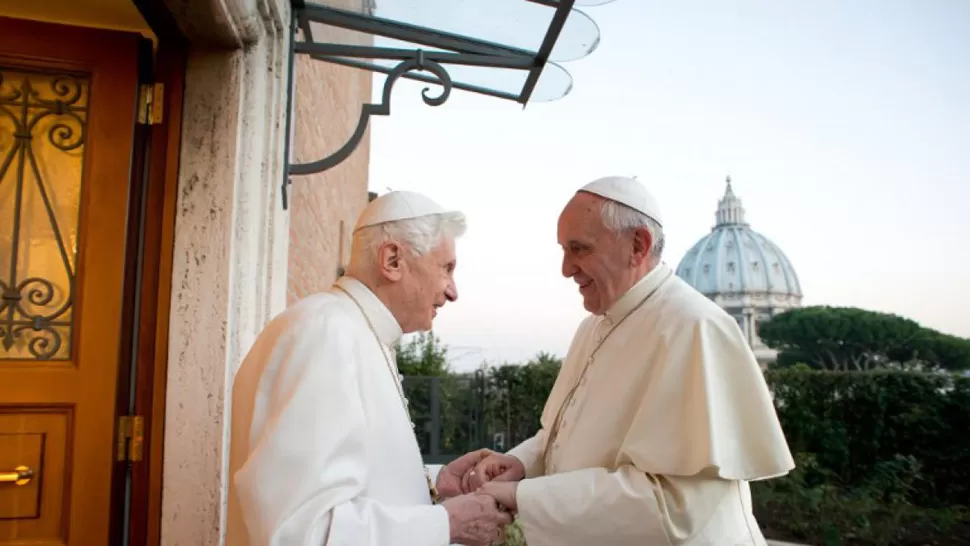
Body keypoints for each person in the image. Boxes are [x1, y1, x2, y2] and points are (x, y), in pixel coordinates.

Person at [463, 176, 796, 545]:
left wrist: (521, 497)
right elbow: (562, 436)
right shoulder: (593, 327)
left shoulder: (694, 327)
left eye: (579, 248)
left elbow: (672, 503)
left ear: (638, 244)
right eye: (563, 250)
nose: (565, 268)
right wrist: (522, 463)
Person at [225, 191, 512, 546]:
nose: (453, 291)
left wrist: (435, 484)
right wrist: (445, 525)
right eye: (446, 268)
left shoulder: (356, 332)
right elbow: (299, 530)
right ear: (392, 259)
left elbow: (357, 485)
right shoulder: (327, 333)